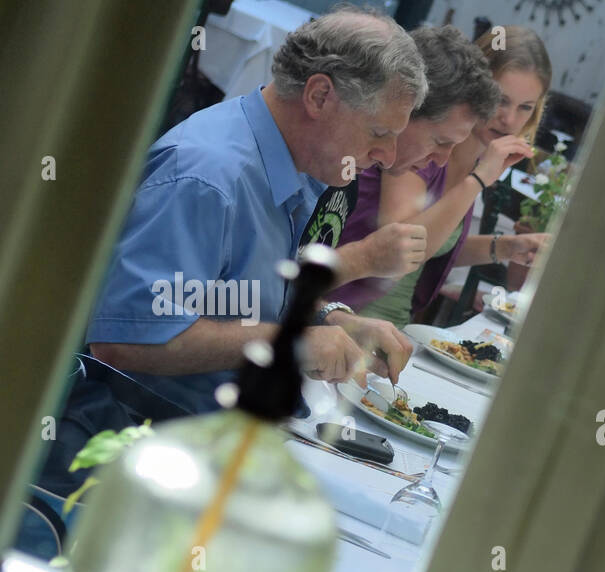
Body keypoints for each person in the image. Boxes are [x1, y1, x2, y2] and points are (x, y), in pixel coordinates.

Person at [86, 9, 423, 414]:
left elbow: (234, 297)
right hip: (147, 431)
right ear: (319, 96)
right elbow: (124, 340)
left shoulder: (303, 159)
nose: (388, 157)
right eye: (379, 133)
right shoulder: (208, 177)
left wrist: (330, 320)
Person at [331, 25, 553, 326]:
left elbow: (439, 246)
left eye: (525, 107)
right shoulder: (423, 147)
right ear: (478, 88)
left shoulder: (474, 157)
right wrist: (478, 180)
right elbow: (404, 243)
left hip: (395, 327)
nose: (510, 119)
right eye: (501, 100)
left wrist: (505, 247)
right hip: (345, 317)